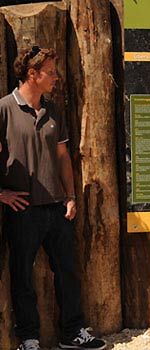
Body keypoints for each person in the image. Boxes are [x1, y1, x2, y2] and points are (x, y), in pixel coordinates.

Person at [0, 46, 106, 350]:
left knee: (68, 274)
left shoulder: (53, 109)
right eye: (50, 72)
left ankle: (73, 334)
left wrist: (70, 195)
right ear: (32, 75)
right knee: (23, 279)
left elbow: (62, 156)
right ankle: (29, 339)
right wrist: (2, 194)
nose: (56, 77)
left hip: (57, 208)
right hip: (22, 210)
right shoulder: (4, 109)